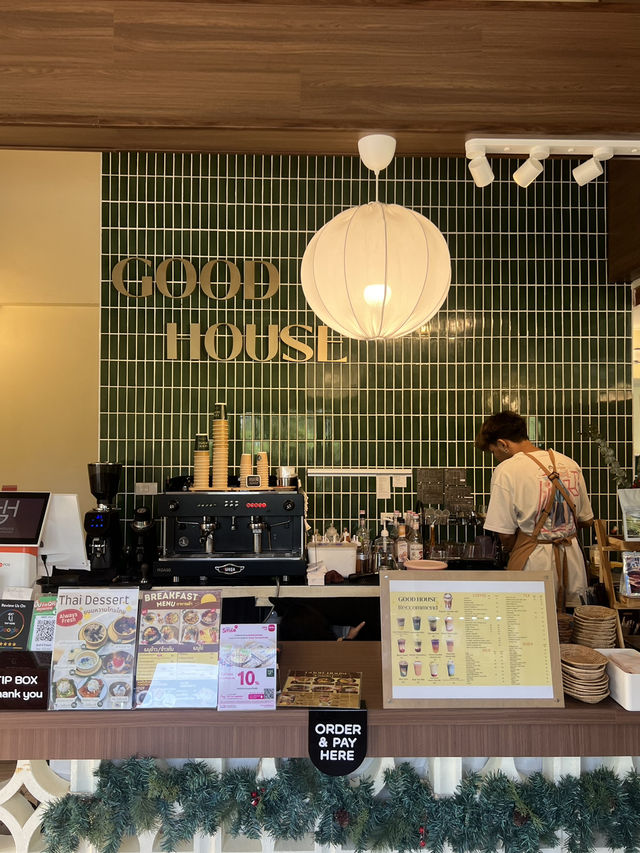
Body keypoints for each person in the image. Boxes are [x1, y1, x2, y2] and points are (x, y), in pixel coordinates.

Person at [475, 411, 594, 610]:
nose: (495, 457)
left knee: (533, 621)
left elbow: (505, 534)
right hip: (573, 565)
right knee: (572, 623)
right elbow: (586, 520)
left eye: (493, 451)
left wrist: (520, 545)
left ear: (503, 444)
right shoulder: (570, 463)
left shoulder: (507, 470)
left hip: (534, 564)